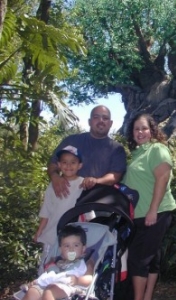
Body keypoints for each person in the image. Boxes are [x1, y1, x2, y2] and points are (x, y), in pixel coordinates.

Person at [122, 113, 176, 300]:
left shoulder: (157, 149)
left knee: (138, 259)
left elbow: (163, 177)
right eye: (136, 129)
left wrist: (153, 209)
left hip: (156, 212)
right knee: (151, 257)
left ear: (152, 130)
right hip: (139, 213)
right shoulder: (137, 153)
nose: (140, 132)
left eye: (144, 128)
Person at [47, 105, 127, 198]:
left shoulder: (117, 149)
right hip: (67, 197)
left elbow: (115, 175)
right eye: (96, 117)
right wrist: (55, 177)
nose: (101, 121)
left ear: (110, 123)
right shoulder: (72, 141)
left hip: (99, 201)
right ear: (89, 121)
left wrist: (96, 182)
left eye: (105, 118)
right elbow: (53, 163)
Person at [35, 145, 84, 275]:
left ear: (80, 165)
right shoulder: (53, 185)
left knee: (69, 268)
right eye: (64, 162)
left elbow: (87, 209)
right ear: (59, 165)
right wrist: (39, 231)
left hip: (72, 239)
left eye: (73, 162)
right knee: (46, 267)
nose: (68, 165)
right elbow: (46, 209)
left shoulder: (83, 184)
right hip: (51, 234)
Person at [23, 225, 94, 300]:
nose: (71, 249)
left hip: (70, 287)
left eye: (76, 245)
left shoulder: (86, 262)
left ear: (83, 248)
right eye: (67, 246)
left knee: (50, 291)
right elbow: (49, 274)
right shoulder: (57, 261)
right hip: (50, 283)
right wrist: (38, 281)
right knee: (32, 291)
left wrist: (77, 280)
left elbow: (89, 278)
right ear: (61, 249)